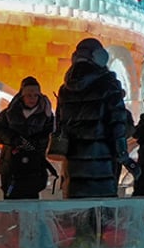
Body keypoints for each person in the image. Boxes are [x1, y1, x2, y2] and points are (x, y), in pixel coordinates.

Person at [50, 38, 135, 199]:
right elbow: (119, 127)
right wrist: (126, 159)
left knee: (77, 214)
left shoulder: (65, 89)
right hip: (101, 168)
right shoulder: (108, 86)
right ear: (100, 57)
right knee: (101, 217)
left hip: (73, 169)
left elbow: (60, 125)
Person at [0, 76, 55, 200]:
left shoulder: (46, 115)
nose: (32, 98)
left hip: (34, 166)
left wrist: (35, 142)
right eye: (29, 95)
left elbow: (51, 134)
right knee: (10, 202)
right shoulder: (8, 113)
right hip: (11, 166)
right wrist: (13, 139)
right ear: (22, 96)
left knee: (31, 202)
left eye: (35, 95)